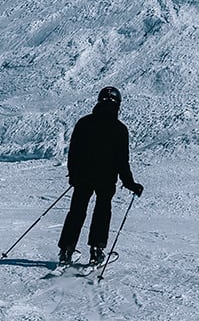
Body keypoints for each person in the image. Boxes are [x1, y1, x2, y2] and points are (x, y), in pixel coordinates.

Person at [58, 86, 144, 266]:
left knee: (76, 212)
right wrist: (130, 184)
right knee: (102, 211)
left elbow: (74, 153)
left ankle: (66, 250)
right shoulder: (120, 129)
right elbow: (122, 161)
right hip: (106, 179)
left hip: (83, 177)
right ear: (118, 104)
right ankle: (97, 251)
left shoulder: (84, 123)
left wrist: (73, 176)